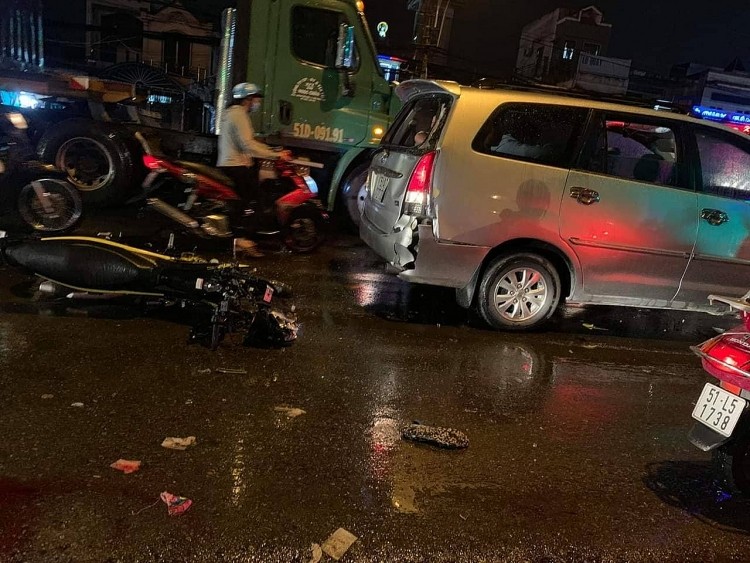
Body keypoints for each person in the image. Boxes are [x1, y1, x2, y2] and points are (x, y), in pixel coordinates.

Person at [217, 82, 291, 258]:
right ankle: (243, 239)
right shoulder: (239, 114)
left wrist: (271, 150)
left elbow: (248, 141)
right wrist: (276, 155)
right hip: (236, 166)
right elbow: (248, 145)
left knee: (243, 201)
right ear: (247, 99)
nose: (257, 103)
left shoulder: (230, 113)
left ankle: (239, 237)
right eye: (256, 99)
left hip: (228, 164)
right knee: (257, 201)